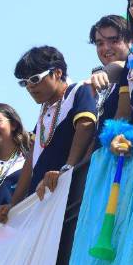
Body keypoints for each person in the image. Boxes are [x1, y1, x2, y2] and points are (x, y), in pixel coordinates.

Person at [14, 46, 97, 198]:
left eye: (35, 79)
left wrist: (67, 169)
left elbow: (85, 126)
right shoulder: (44, 111)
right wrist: (13, 203)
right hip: (44, 196)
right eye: (24, 83)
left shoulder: (78, 91)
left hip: (69, 191)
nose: (30, 87)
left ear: (58, 73)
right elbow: (32, 157)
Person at [87, 15, 132, 128]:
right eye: (100, 43)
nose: (106, 48)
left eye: (114, 41)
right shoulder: (101, 86)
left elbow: (120, 66)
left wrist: (103, 73)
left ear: (130, 41)